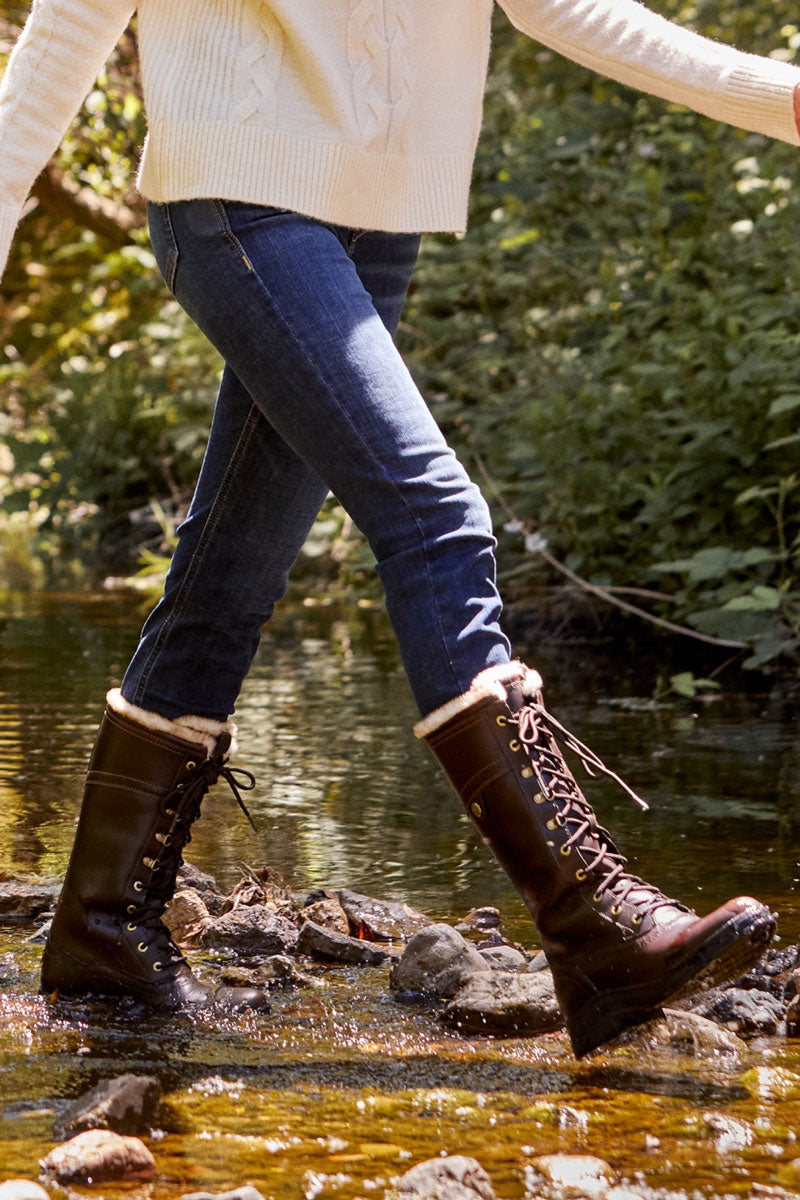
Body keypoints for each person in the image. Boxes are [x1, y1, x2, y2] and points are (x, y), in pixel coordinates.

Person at [0, 0, 797, 1060]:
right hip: (235, 197)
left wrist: (780, 96)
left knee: (227, 573)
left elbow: (565, 7)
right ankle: (591, 924)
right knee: (433, 516)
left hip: (377, 220)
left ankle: (101, 932)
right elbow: (71, 22)